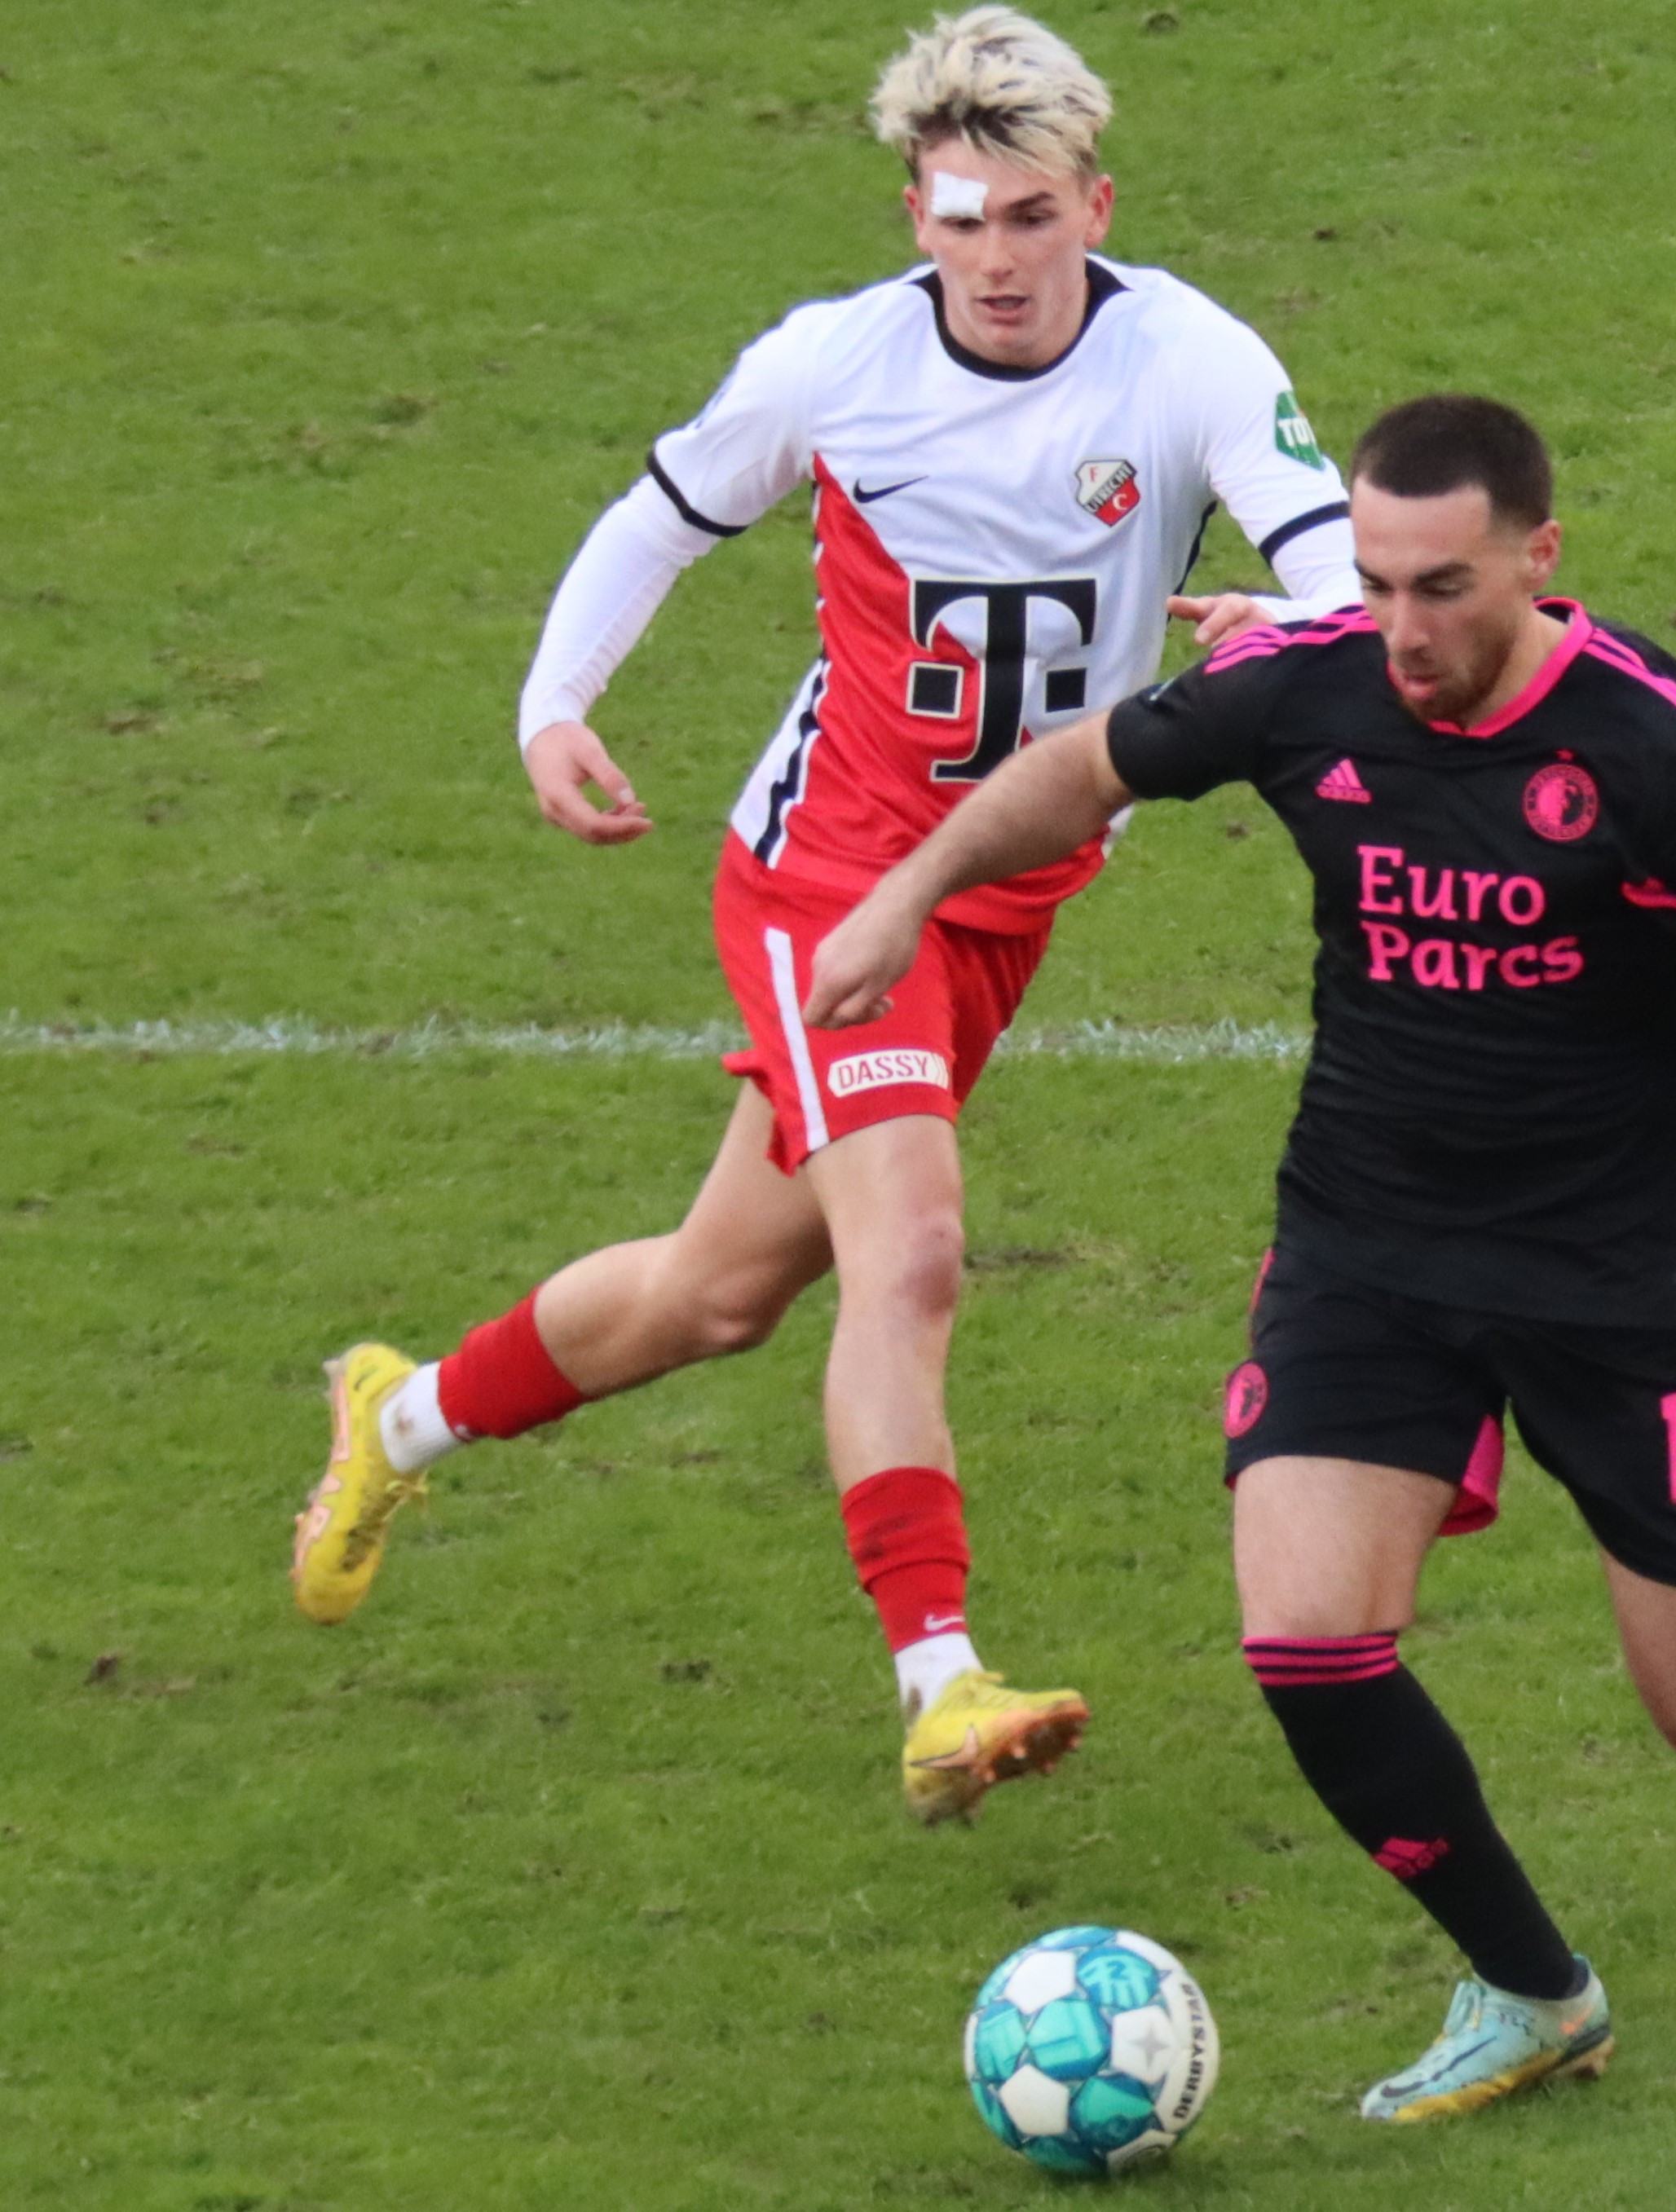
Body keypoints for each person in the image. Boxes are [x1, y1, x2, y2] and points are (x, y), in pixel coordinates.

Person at [803, 394, 1676, 2117]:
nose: (1402, 629)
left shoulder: (1655, 749)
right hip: (1372, 1241)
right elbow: (1087, 765)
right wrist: (905, 892)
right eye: (1377, 580)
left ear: (1540, 559)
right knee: (1306, 1639)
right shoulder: (1312, 678)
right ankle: (1534, 1989)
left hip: (1626, 1274)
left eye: (1442, 587)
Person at [287, 7, 1360, 1829]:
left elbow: (1328, 559)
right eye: (964, 220)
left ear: (1094, 203)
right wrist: (551, 707)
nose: (1001, 260)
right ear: (913, 217)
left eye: (1033, 218)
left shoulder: (1187, 357)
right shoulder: (834, 367)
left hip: (1010, 892)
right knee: (913, 1248)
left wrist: (1293, 621)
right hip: (834, 881)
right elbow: (660, 516)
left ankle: (395, 1419)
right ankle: (939, 1680)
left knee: (720, 1292)